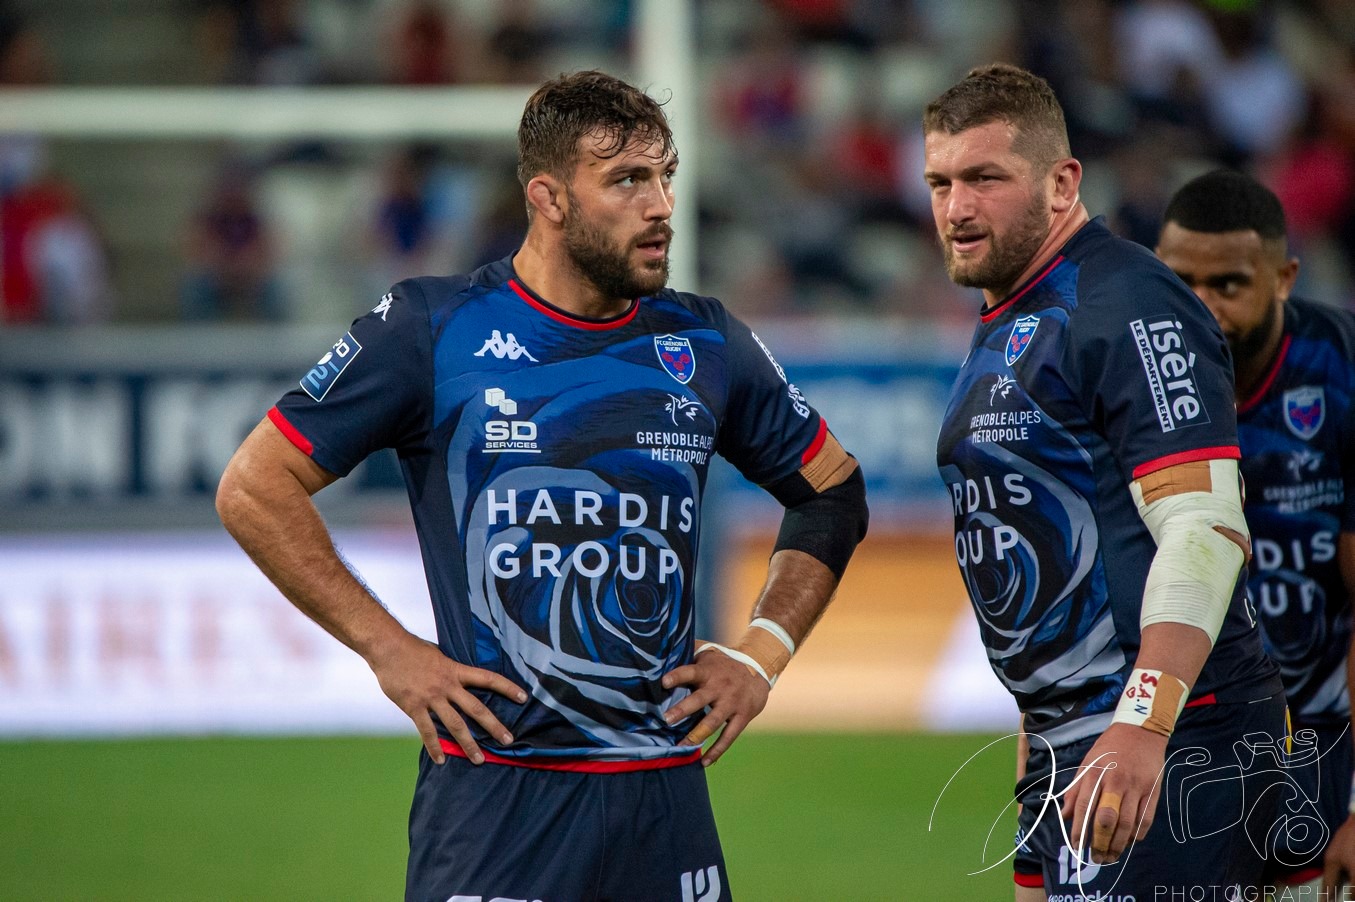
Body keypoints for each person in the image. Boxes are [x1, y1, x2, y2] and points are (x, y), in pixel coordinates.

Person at [215, 70, 868, 902]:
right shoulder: (432, 327)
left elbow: (832, 492)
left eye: (665, 175)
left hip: (661, 799)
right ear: (548, 198)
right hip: (496, 801)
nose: (661, 205)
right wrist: (390, 650)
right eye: (627, 180)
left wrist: (761, 655)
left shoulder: (705, 343)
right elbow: (254, 485)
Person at [923, 63, 1285, 897]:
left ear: (1061, 182)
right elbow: (1047, 584)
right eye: (940, 182)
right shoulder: (1011, 314)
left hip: (1172, 740)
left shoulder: (1126, 302)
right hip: (1076, 746)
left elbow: (1203, 526)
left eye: (985, 178)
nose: (955, 208)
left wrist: (1141, 727)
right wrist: (1033, 796)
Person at [1155, 169, 1355, 895]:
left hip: (1322, 747)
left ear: (1283, 277)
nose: (1200, 309)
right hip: (1184, 747)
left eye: (1228, 285)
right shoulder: (1128, 382)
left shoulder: (1339, 374)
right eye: (1180, 282)